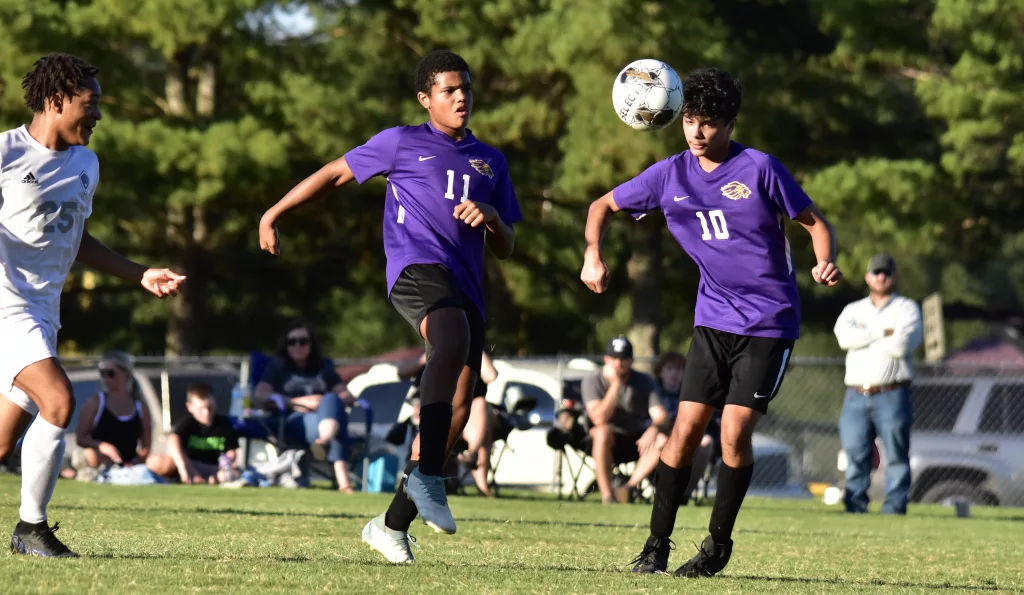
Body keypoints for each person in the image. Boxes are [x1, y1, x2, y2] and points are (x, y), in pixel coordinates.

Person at [259, 48, 521, 563]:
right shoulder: (401, 142)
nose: (461, 97)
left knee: (463, 405)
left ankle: (391, 525)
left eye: (466, 88)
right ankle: (429, 476)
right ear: (425, 98)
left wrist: (492, 216)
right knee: (450, 338)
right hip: (415, 269)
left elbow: (506, 246)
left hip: (466, 287)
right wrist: (273, 213)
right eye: (448, 90)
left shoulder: (490, 160)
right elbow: (333, 175)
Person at [581, 67, 842, 578]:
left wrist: (823, 260)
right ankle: (655, 545)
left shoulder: (760, 168)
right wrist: (593, 254)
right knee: (683, 431)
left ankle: (717, 546)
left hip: (769, 322)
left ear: (730, 124)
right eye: (690, 121)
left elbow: (815, 224)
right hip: (713, 320)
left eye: (709, 123)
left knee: (734, 434)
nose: (697, 132)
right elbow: (601, 206)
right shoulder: (669, 175)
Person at [0, 53, 184, 558]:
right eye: (91, 103)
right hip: (6, 309)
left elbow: (75, 236)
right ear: (55, 100)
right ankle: (31, 530)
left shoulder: (86, 164)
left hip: (43, 312)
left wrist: (138, 272)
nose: (99, 114)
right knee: (59, 401)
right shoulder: (6, 154)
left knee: (2, 443)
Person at [834, 253, 922, 515]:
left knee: (896, 454)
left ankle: (894, 506)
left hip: (892, 392)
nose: (881, 277)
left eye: (886, 273)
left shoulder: (906, 308)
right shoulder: (853, 309)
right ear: (867, 277)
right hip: (856, 394)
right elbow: (844, 339)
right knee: (855, 452)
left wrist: (864, 334)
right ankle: (855, 505)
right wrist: (883, 331)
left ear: (894, 277)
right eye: (876, 272)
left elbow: (902, 345)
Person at [253, 320, 355, 493]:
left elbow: (347, 395)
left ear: (311, 344)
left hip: (321, 417)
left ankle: (324, 440)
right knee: (338, 421)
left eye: (303, 341)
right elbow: (260, 394)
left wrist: (325, 403)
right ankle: (343, 480)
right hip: (293, 419)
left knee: (332, 400)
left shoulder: (324, 367)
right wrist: (300, 402)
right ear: (286, 345)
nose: (297, 346)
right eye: (292, 342)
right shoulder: (278, 366)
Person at [398, 350, 500, 497]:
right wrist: (430, 353)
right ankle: (472, 460)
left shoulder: (471, 354)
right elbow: (401, 372)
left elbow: (490, 375)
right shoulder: (432, 351)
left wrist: (475, 347)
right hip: (438, 415)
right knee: (482, 431)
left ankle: (471, 456)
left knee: (480, 406)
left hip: (468, 420)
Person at [581, 335, 670, 503]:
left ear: (631, 361)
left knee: (662, 439)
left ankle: (627, 489)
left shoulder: (644, 380)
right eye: (614, 358)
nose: (618, 363)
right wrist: (615, 384)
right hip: (605, 443)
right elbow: (599, 419)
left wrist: (654, 428)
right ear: (606, 359)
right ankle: (607, 496)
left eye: (623, 359)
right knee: (602, 432)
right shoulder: (592, 380)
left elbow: (661, 416)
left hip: (636, 441)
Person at [74, 351, 151, 477]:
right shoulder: (95, 403)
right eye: (102, 373)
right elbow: (81, 438)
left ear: (126, 373)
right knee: (91, 455)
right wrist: (103, 446)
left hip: (130, 464)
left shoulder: (140, 407)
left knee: (160, 462)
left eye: (110, 373)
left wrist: (134, 462)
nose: (106, 378)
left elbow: (146, 447)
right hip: (101, 462)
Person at [653, 351, 717, 501]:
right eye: (669, 369)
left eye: (679, 369)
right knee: (662, 441)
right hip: (660, 436)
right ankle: (662, 490)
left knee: (707, 442)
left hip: (688, 437)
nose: (674, 374)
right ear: (660, 371)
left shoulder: (692, 392)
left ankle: (684, 494)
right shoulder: (653, 391)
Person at [147, 383, 241, 485]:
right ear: (190, 407)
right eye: (201, 408)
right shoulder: (188, 423)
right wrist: (185, 468)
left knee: (233, 474)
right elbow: (173, 441)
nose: (206, 412)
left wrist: (227, 462)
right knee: (158, 462)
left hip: (213, 467)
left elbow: (232, 450)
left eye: (209, 407)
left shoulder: (223, 424)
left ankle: (207, 480)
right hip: (190, 464)